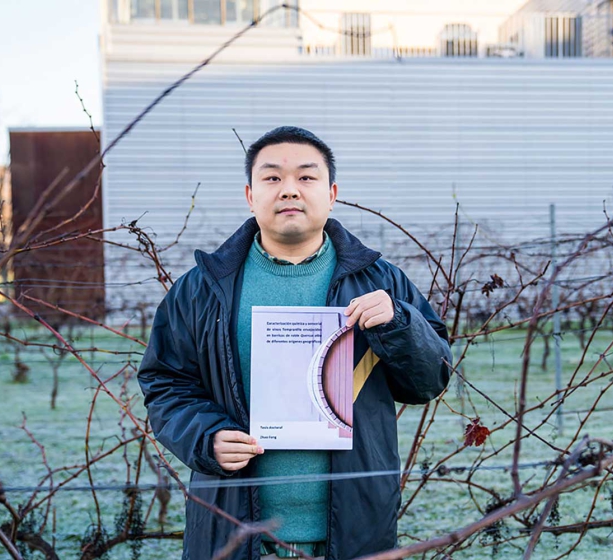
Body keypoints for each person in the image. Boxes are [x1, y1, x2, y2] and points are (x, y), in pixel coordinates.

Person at [138, 126, 452, 560]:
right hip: (234, 528)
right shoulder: (202, 290)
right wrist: (206, 437)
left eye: (306, 177)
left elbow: (429, 380)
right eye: (272, 178)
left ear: (332, 192)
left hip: (356, 528)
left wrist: (398, 323)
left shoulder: (381, 281)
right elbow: (165, 384)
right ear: (250, 195)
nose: (289, 190)